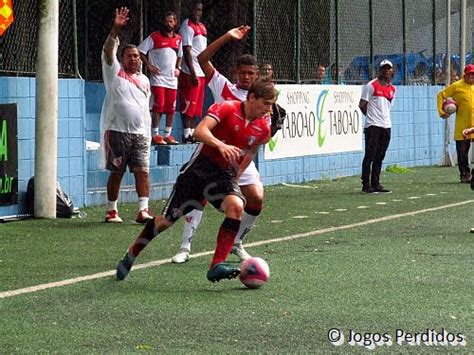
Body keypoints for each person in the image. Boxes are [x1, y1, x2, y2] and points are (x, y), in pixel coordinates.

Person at [115, 79, 277, 282]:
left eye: (271, 105)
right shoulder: (226, 107)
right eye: (266, 103)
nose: (268, 110)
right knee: (164, 222)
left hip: (222, 174)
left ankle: (216, 265)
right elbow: (200, 131)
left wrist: (236, 174)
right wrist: (220, 145)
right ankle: (132, 253)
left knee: (236, 206)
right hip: (197, 172)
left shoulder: (262, 129)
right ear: (252, 97)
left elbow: (252, 150)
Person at [171, 25, 285, 264]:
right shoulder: (223, 86)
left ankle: (237, 242)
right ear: (236, 73)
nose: (246, 77)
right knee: (199, 196)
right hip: (214, 152)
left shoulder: (262, 101)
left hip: (240, 159)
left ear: (256, 76)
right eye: (242, 73)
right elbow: (202, 59)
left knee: (256, 198)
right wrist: (227, 36)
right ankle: (185, 246)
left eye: (250, 73)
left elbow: (256, 142)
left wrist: (238, 171)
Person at [100, 7, 153, 224]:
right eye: (130, 56)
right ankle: (111, 211)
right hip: (117, 132)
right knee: (117, 172)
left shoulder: (145, 80)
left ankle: (143, 210)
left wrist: (147, 132)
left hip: (140, 134)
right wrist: (115, 29)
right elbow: (108, 51)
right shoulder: (114, 73)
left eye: (137, 56)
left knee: (142, 171)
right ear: (122, 58)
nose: (134, 59)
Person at [138, 11, 183, 145]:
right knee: (159, 105)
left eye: (171, 21)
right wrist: (149, 66)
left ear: (175, 23)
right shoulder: (154, 37)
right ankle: (155, 134)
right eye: (166, 21)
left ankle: (168, 134)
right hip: (158, 78)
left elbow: (180, 56)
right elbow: (140, 51)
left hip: (172, 79)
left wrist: (178, 68)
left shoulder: (179, 39)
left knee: (171, 107)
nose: (168, 24)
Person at [358, 59, 396, 194]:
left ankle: (376, 182)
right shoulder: (371, 85)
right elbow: (362, 104)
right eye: (384, 69)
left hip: (386, 125)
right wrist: (370, 118)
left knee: (380, 155)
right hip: (373, 126)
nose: (386, 71)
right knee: (370, 154)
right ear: (380, 70)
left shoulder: (392, 89)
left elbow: (388, 107)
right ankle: (365, 184)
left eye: (388, 69)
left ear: (392, 71)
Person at [437, 64, 474, 183]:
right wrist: (441, 111)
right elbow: (441, 95)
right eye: (470, 74)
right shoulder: (457, 86)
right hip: (462, 125)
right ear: (465, 75)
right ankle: (465, 174)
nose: (472, 77)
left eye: (473, 74)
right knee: (462, 152)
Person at [178, 1, 207, 143]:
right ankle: (185, 134)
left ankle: (192, 132)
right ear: (190, 10)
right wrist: (193, 72)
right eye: (196, 9)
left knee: (196, 106)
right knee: (188, 104)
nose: (198, 12)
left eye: (200, 10)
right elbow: (187, 50)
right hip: (190, 72)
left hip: (201, 72)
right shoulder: (187, 25)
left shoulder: (202, 27)